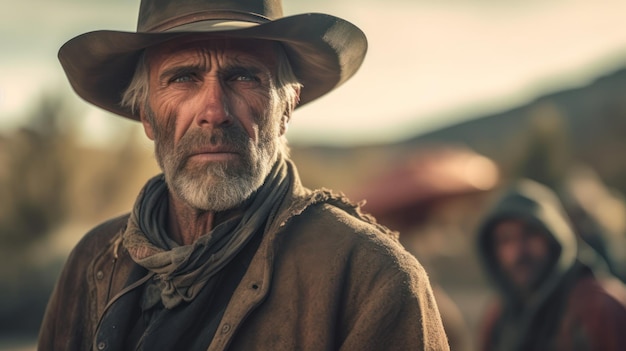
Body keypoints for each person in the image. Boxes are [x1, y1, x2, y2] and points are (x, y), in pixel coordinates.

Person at [38, 0, 450, 350]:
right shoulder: (95, 262)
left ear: (286, 107)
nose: (214, 111)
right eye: (183, 78)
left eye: (244, 76)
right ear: (146, 115)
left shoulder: (369, 275)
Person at [476, 179, 626, 351]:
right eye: (505, 240)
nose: (517, 252)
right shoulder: (498, 317)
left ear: (554, 238)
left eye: (530, 234)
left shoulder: (599, 309)